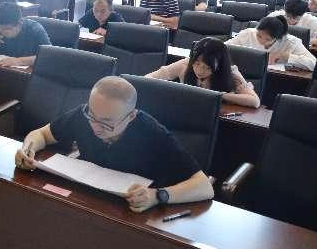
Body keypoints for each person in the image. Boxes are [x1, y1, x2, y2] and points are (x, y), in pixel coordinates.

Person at [15, 76, 214, 213]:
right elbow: (41, 134)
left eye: (106, 123)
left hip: (133, 212)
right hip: (90, 200)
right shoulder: (84, 114)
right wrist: (27, 149)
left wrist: (157, 196)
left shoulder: (152, 132)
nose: (95, 126)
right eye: (92, 116)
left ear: (131, 116)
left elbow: (204, 186)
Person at [146, 37, 260, 108]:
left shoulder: (230, 73)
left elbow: (254, 101)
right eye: (196, 64)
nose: (200, 71)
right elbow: (149, 78)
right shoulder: (185, 64)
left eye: (207, 67)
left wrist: (221, 96)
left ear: (219, 65)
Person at [0, 2, 51, 68]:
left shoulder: (35, 29)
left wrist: (18, 61)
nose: (2, 32)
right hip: (1, 68)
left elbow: (48, 56)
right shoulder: (0, 26)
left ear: (20, 23)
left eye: (6, 29)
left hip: (26, 74)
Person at [227, 15, 315, 71]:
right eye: (259, 36)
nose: (261, 41)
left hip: (276, 79)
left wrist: (286, 56)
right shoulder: (248, 33)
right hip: (245, 71)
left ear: (278, 38)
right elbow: (224, 48)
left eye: (268, 39)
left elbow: (313, 64)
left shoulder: (291, 42)